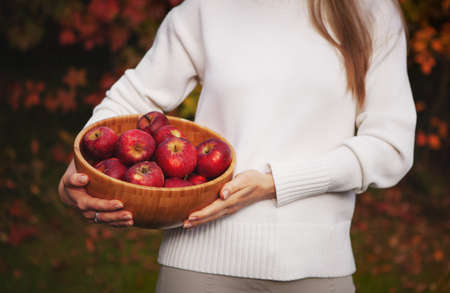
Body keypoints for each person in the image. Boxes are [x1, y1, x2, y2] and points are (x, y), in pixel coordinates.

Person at [58, 0, 416, 292]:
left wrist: (276, 182)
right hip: (198, 266)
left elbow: (391, 146)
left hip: (317, 269)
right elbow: (131, 98)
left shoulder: (373, 13)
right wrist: (79, 169)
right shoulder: (205, 10)